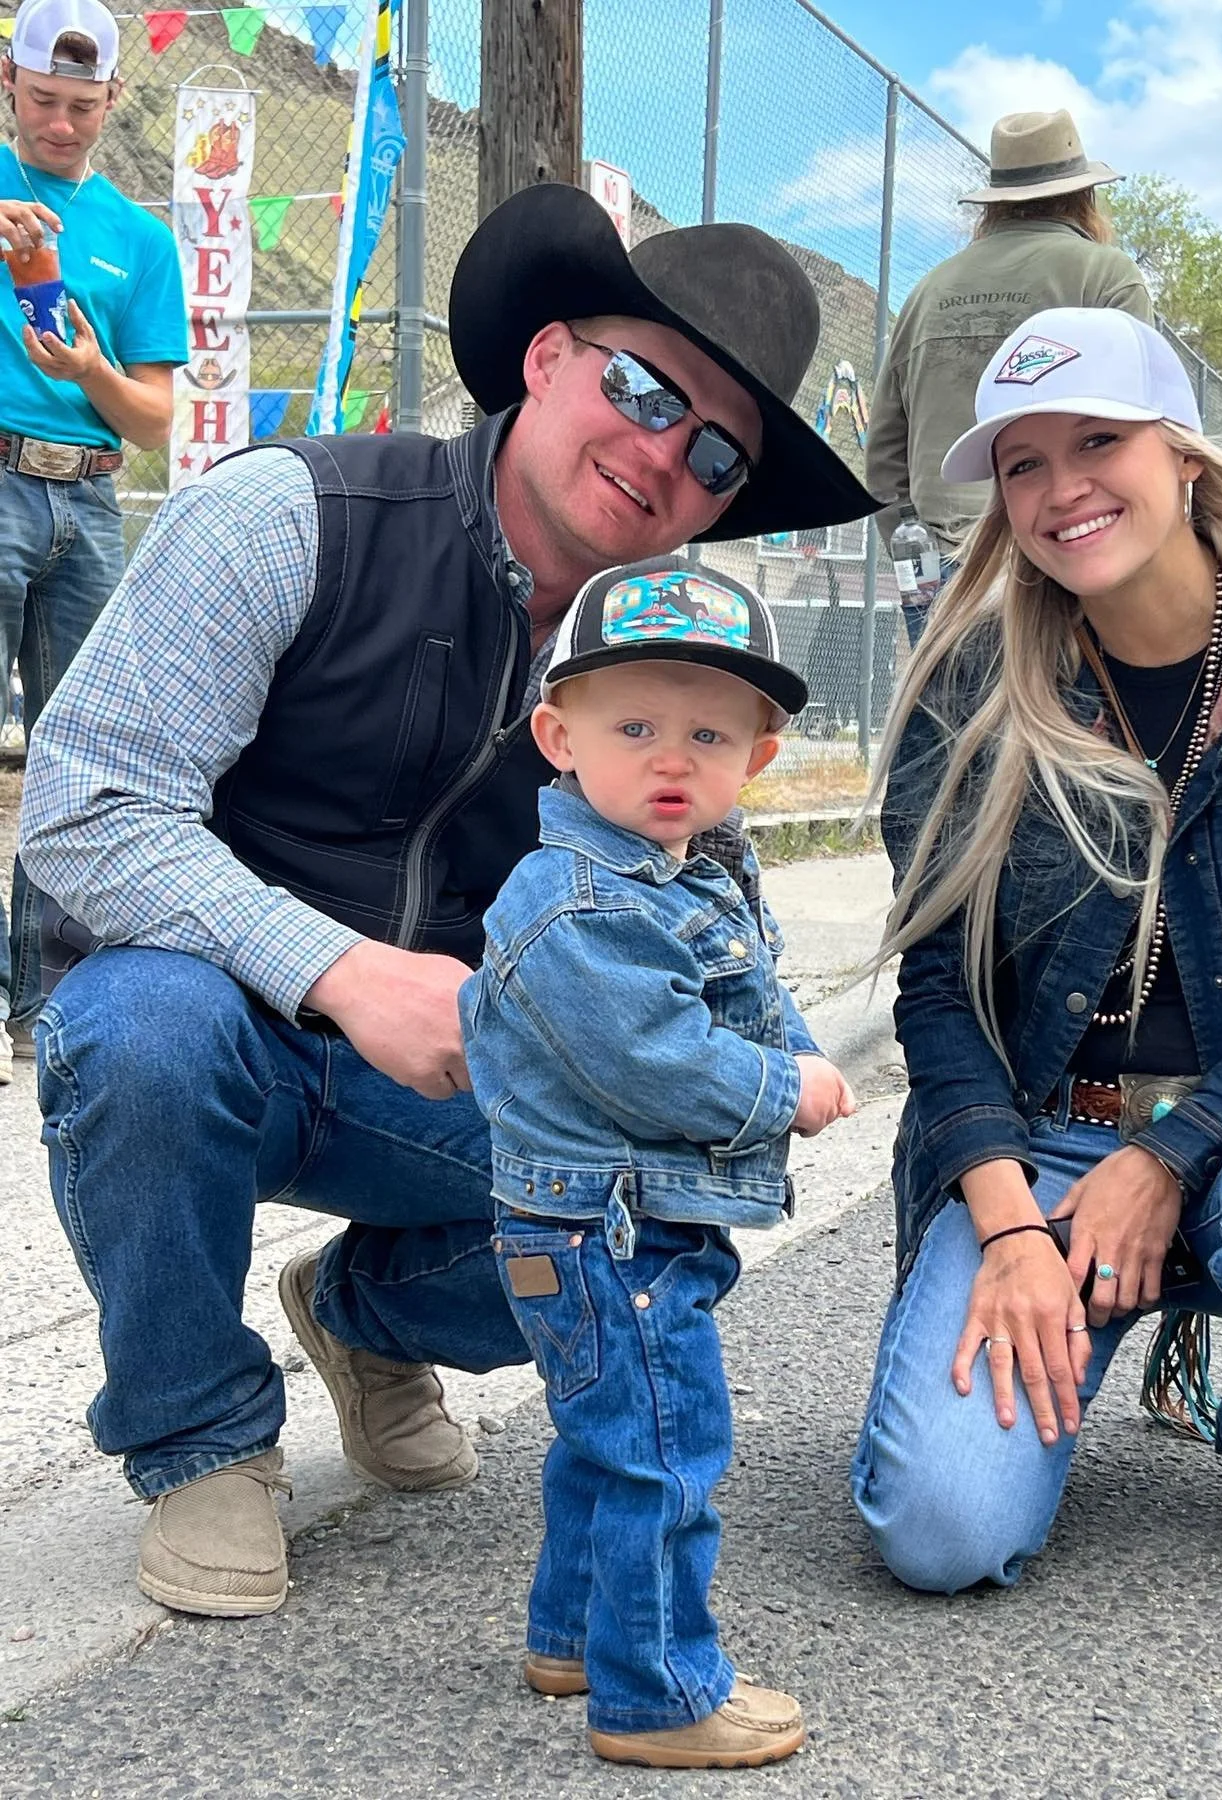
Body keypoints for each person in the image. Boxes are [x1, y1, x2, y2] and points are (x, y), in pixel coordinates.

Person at [19, 181, 875, 1620]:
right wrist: (343, 972)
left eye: (716, 451)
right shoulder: (290, 516)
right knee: (141, 1031)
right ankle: (201, 1436)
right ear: (545, 358)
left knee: (662, 1208)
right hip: (210, 1019)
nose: (663, 453)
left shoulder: (657, 681)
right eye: (642, 387)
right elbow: (83, 806)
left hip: (448, 1079)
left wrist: (757, 1065)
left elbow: (694, 932)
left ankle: (364, 1315)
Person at [850, 306, 1222, 1592]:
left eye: (1097, 442)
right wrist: (1008, 1226)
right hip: (1051, 1144)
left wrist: (1172, 1151)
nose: (1061, 489)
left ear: (1181, 450)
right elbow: (942, 988)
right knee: (941, 1533)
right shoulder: (972, 683)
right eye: (1023, 464)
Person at [463, 559, 854, 1768]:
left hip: (612, 1222)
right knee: (666, 1456)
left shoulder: (686, 871)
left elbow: (745, 991)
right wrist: (787, 1088)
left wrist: (795, 1047)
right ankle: (660, 1695)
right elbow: (656, 1058)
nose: (670, 759)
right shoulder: (580, 900)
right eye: (633, 728)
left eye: (708, 735)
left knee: (608, 1445)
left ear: (759, 757)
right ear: (559, 739)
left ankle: (575, 1638)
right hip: (607, 1232)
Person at [0, 0, 185, 1079]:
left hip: (91, 499)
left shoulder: (138, 238)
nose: (60, 125)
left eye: (81, 105)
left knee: (75, 756)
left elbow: (155, 418)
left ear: (114, 98)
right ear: (8, 84)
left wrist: (90, 372)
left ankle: (44, 1001)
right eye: (42, 101)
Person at [866, 109, 1151, 564]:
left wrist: (916, 555)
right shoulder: (1106, 276)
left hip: (946, 560)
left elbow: (885, 454)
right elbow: (1139, 425)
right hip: (1068, 548)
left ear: (994, 203)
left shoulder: (928, 291)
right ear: (1084, 195)